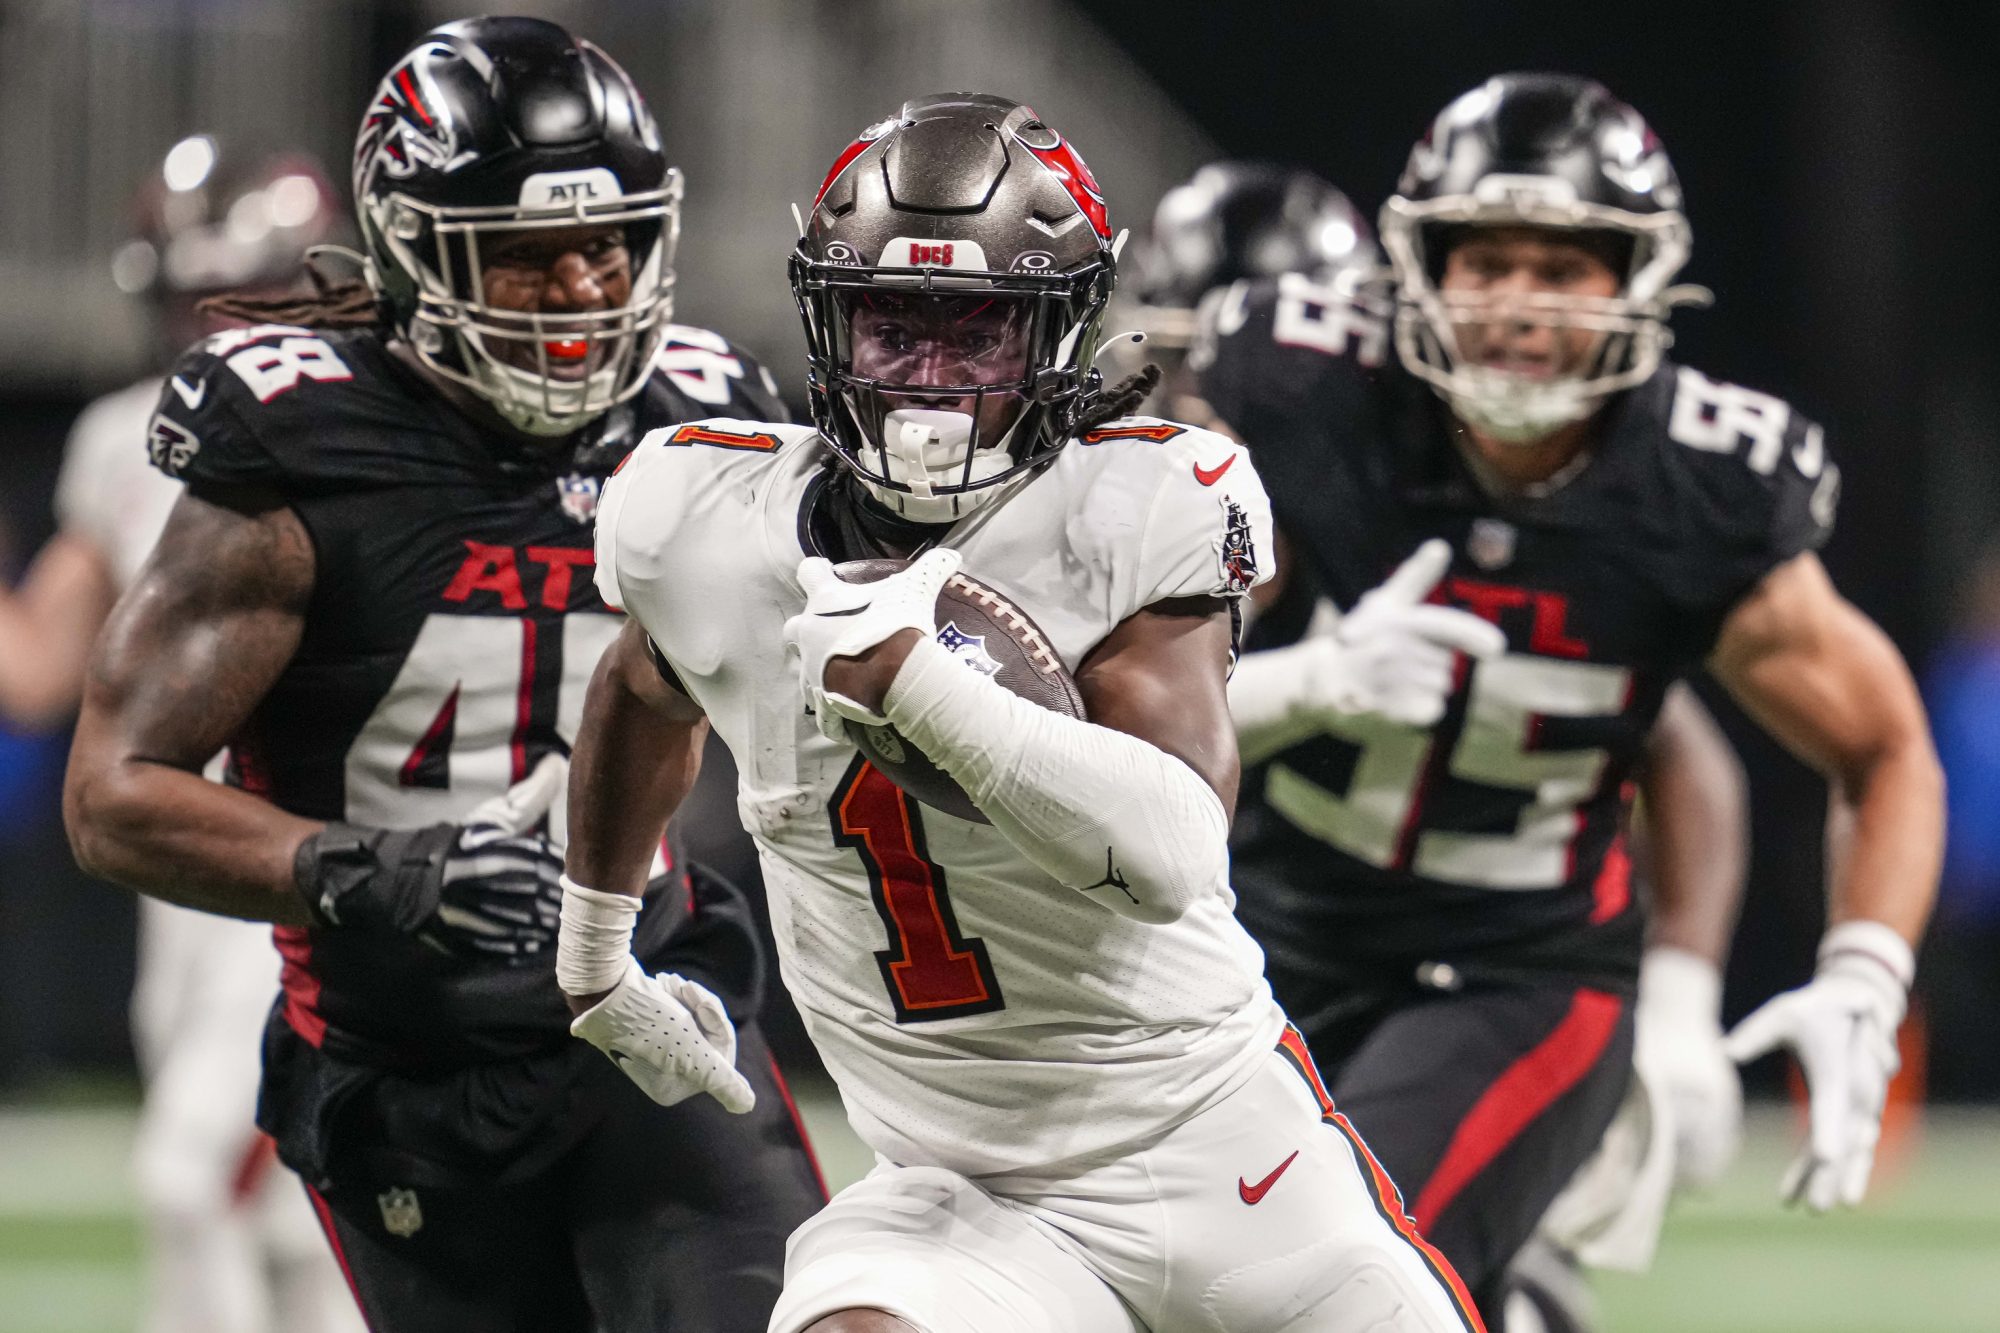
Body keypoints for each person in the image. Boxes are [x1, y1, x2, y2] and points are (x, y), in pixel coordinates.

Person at [557, 90, 1495, 1333]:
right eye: (892, 327)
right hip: (962, 1191)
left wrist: (925, 689)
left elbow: (1170, 848)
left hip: (1216, 1150)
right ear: (826, 320)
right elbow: (639, 686)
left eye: (979, 333)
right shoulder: (699, 519)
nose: (928, 380)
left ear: (1056, 339)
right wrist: (593, 951)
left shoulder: (1142, 497)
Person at [63, 19, 823, 1332]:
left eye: (610, 247)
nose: (584, 292)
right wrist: (370, 870)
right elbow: (113, 797)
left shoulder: (701, 413)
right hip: (403, 1056)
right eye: (527, 260)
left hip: (648, 1006)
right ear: (416, 249)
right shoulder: (300, 445)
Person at [1195, 72, 1941, 1326]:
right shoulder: (1306, 398)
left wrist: (1861, 974)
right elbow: (1128, 678)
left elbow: (1878, 745)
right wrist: (1299, 677)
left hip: (1516, 974)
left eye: (1567, 266)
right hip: (1267, 940)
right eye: (1483, 261)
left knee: (1318, 1282)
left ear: (1639, 284)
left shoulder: (1696, 482)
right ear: (1414, 269)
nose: (1519, 307)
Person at [0, 133, 359, 1333]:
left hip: (313, 853)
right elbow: (37, 671)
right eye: (193, 305)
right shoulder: (121, 437)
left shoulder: (382, 437)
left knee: (196, 1177)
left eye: (245, 304)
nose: (214, 339)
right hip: (180, 876)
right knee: (298, 1225)